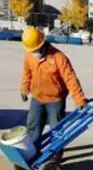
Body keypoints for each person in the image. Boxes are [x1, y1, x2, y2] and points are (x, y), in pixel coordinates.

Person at [20, 27, 87, 155]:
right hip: (37, 98)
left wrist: (79, 100)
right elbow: (26, 73)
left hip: (55, 100)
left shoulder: (59, 57)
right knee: (33, 126)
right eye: (32, 50)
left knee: (57, 130)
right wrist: (24, 88)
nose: (34, 53)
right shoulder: (29, 55)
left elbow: (71, 79)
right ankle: (32, 153)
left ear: (42, 43)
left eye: (36, 50)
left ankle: (55, 156)